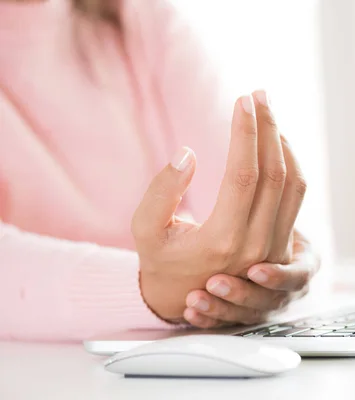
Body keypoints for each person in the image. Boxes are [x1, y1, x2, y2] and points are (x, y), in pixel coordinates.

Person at [0, 0, 320, 341]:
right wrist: (149, 287)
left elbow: (244, 222)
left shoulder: (144, 23)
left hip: (173, 358)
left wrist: (276, 260)